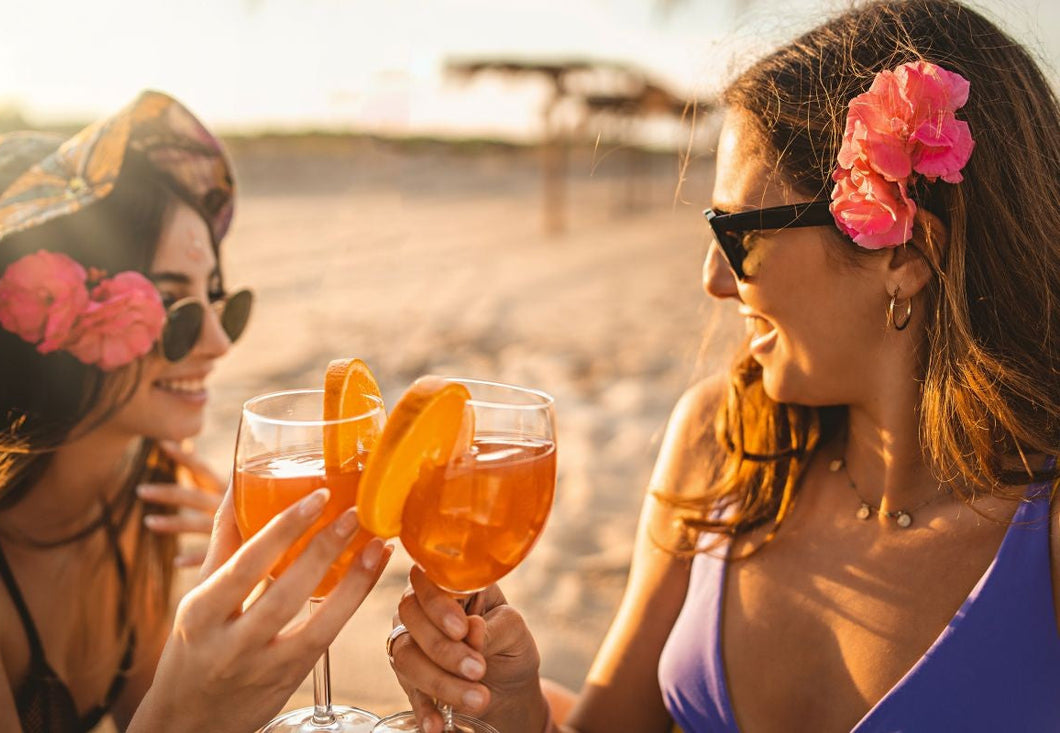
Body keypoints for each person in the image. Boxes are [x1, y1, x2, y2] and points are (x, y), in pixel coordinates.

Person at [383, 1, 1060, 731]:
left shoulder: (1043, 541)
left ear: (903, 251)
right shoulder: (721, 445)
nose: (712, 278)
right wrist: (517, 711)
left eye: (737, 235)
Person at [0, 91, 391, 731]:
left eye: (224, 304)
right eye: (175, 308)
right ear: (44, 318)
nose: (219, 344)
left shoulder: (150, 504)